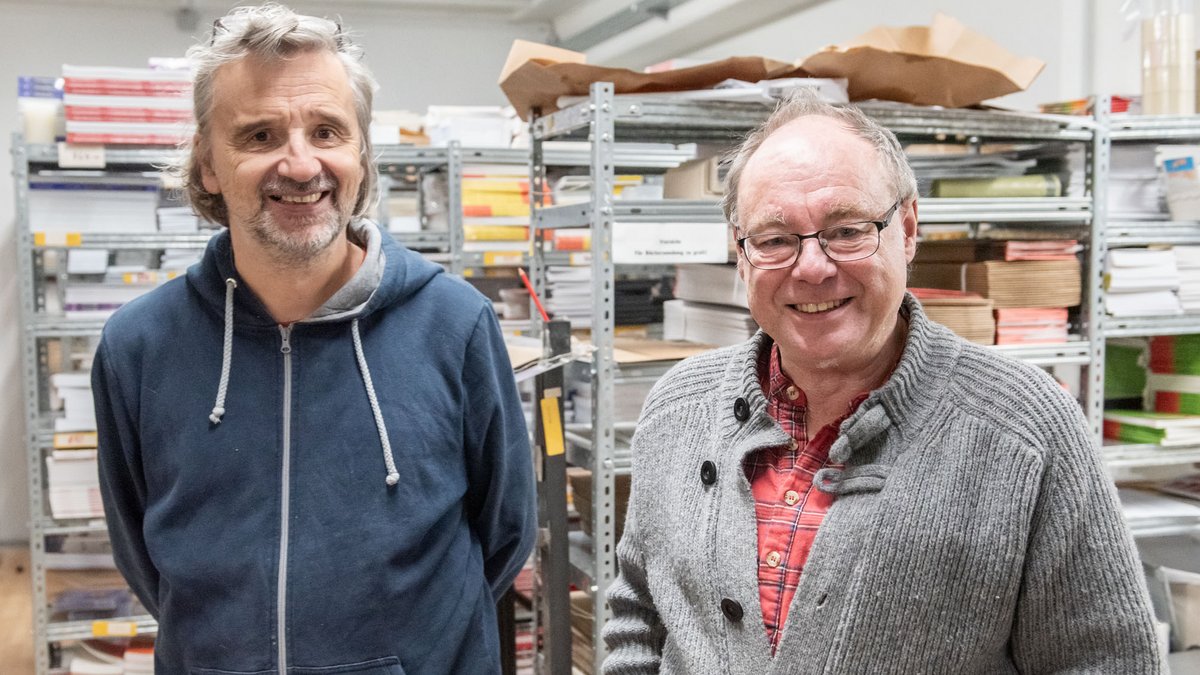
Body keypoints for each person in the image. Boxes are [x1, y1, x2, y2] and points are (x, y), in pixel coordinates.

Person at [602, 91, 1162, 673]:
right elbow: (637, 615)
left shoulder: (1025, 428)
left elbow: (1106, 660)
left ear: (909, 228)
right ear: (741, 256)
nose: (813, 268)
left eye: (847, 230)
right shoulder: (677, 409)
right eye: (774, 239)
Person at [93, 4, 536, 672]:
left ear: (360, 151)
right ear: (208, 163)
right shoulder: (138, 346)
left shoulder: (456, 324)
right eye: (260, 135)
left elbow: (504, 537)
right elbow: (141, 554)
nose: (301, 166)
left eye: (326, 130)